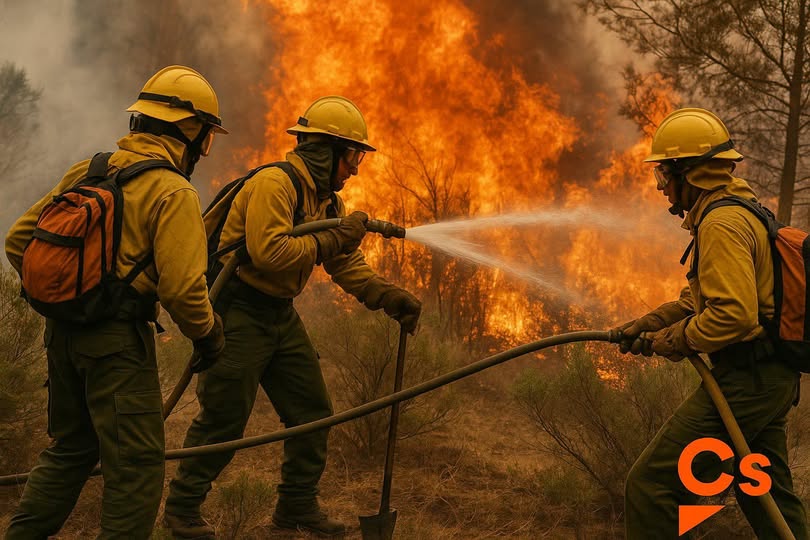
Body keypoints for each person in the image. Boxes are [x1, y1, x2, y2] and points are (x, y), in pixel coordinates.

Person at [163, 95, 422, 538]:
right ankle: (182, 510)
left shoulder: (326, 202)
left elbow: (344, 262)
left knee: (313, 412)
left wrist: (386, 296)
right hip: (238, 310)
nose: (356, 167)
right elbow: (270, 252)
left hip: (279, 315)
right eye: (353, 155)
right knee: (224, 417)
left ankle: (295, 508)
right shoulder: (275, 185)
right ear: (326, 150)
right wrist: (331, 239)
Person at [3, 65, 226, 539]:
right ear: (188, 131)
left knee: (71, 448)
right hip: (117, 348)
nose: (202, 151)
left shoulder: (90, 169)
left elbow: (18, 240)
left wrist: (69, 297)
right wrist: (209, 335)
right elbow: (184, 290)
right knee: (137, 470)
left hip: (60, 338)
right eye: (205, 137)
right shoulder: (173, 191)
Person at [616, 108, 808, 539]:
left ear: (690, 173)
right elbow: (706, 299)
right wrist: (654, 321)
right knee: (764, 493)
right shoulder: (739, 211)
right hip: (770, 379)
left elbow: (734, 314)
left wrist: (676, 339)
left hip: (747, 380)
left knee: (650, 486)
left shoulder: (721, 222)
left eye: (665, 174)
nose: (662, 187)